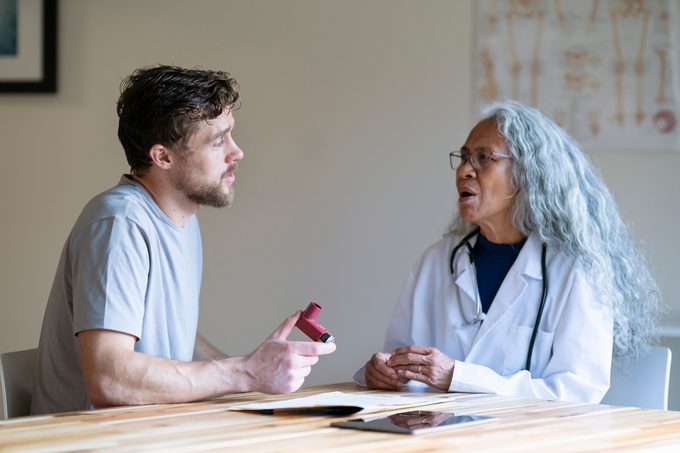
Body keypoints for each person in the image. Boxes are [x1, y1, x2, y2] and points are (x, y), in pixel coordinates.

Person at [31, 65, 336, 415]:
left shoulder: (181, 220)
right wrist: (244, 372)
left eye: (231, 135)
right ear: (162, 156)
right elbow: (108, 379)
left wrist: (253, 367)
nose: (237, 152)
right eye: (218, 140)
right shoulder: (120, 224)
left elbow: (171, 339)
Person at [356, 101, 660, 403]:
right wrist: (383, 374)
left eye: (483, 158)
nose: (464, 171)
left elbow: (577, 393)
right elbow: (400, 365)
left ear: (528, 173)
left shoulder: (576, 269)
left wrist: (458, 377)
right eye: (463, 158)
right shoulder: (436, 261)